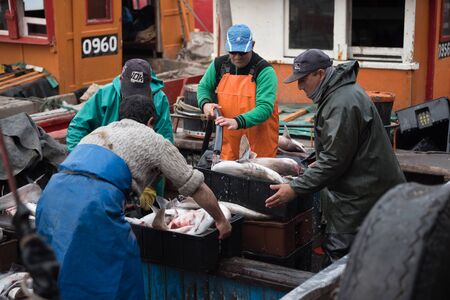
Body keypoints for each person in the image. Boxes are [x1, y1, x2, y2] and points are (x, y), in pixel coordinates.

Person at [36, 94, 232, 300]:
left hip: (51, 199)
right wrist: (221, 220)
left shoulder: (98, 132)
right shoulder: (155, 140)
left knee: (61, 272)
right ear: (150, 122)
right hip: (94, 205)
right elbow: (195, 187)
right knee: (120, 274)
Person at [265, 49, 405, 264]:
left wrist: (294, 188)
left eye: (302, 80)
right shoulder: (340, 93)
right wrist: (317, 162)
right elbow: (341, 150)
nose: (300, 87)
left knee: (340, 266)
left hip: (359, 202)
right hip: (367, 192)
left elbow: (334, 161)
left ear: (320, 74)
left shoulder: (341, 103)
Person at [66, 58, 173, 198]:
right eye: (130, 91)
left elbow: (166, 141)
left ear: (148, 86)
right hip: (104, 170)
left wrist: (152, 182)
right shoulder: (104, 95)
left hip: (145, 175)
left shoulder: (159, 99)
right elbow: (77, 127)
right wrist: (83, 160)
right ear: (121, 79)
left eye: (140, 92)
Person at [197, 24, 278, 160]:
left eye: (242, 52)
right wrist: (205, 105)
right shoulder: (219, 65)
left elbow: (265, 108)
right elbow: (204, 87)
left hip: (259, 148)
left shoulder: (265, 71)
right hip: (228, 146)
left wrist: (237, 122)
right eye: (233, 52)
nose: (237, 57)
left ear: (252, 45)